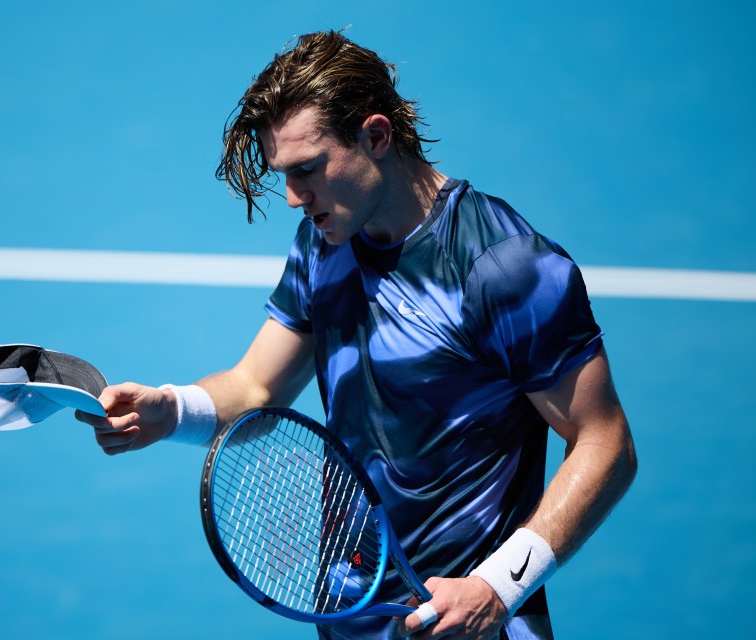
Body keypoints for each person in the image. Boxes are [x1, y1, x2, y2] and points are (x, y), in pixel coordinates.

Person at [76, 30, 637, 640]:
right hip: (353, 613)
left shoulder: (502, 268)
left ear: (376, 136)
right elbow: (257, 386)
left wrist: (497, 586)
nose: (293, 198)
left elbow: (605, 442)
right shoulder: (325, 240)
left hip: (474, 622)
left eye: (307, 170)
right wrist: (171, 409)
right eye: (282, 176)